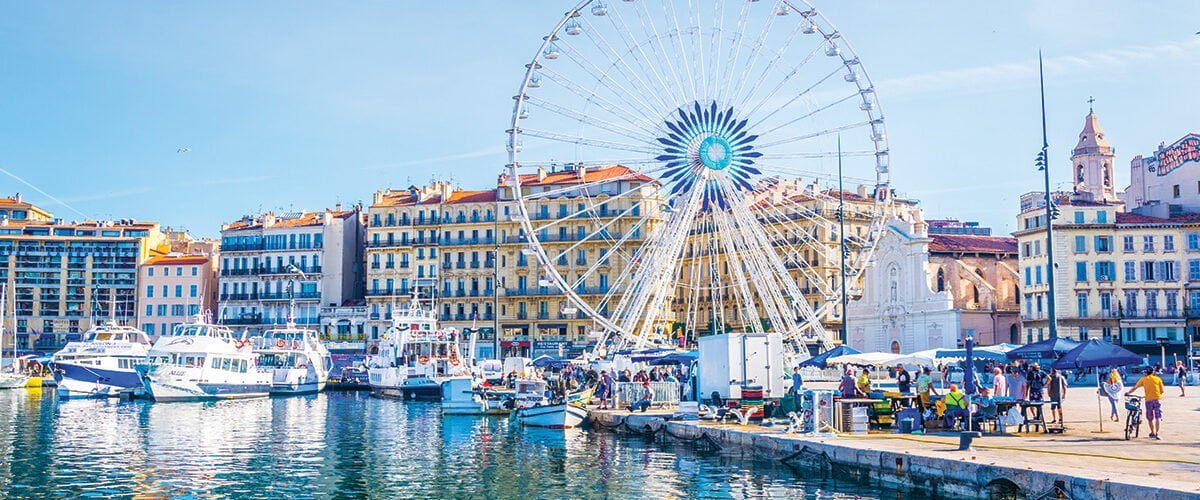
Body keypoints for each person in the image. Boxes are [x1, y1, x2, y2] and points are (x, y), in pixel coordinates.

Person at [1126, 367, 1165, 440]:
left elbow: (1135, 387)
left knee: (1150, 418)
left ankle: (1152, 432)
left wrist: (1128, 393)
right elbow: (1162, 391)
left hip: (1148, 400)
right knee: (1158, 417)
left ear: (1145, 373)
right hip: (1158, 399)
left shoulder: (1143, 379)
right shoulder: (1157, 379)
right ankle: (1157, 433)